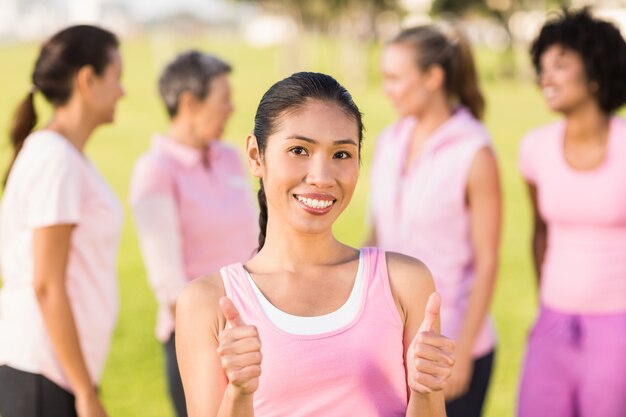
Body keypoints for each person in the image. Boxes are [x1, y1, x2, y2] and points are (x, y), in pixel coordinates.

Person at [175, 71, 455, 417]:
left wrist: (427, 392)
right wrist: (239, 394)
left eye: (341, 155)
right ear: (255, 155)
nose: (322, 177)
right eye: (299, 150)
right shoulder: (208, 303)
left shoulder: (405, 281)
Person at [368, 24, 501, 417]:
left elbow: (488, 259)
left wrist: (461, 349)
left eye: (395, 78)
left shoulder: (474, 152)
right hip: (391, 341)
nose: (387, 89)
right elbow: (376, 234)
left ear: (433, 77)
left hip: (450, 344)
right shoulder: (389, 141)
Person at [0, 25, 124, 417]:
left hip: (55, 373)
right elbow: (47, 285)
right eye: (117, 77)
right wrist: (85, 392)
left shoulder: (64, 156)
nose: (122, 91)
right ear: (87, 80)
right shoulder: (55, 158)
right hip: (43, 374)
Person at [129, 50, 258, 417]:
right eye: (224, 99)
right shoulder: (154, 170)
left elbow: (257, 241)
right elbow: (169, 284)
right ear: (189, 102)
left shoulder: (232, 157)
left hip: (253, 332)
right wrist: (221, 336)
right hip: (199, 340)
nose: (232, 109)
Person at [517, 9, 626, 417]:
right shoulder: (534, 149)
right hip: (553, 320)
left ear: (596, 71)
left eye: (560, 65)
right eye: (542, 67)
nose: (546, 77)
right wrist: (545, 304)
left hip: (618, 326)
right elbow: (539, 231)